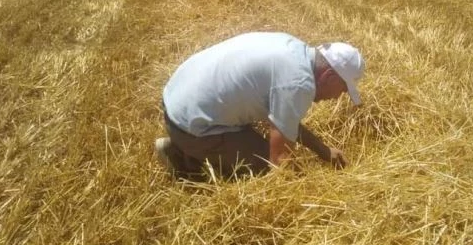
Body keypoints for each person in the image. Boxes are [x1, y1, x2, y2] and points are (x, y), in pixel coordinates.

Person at [156, 32, 364, 179]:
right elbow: (280, 165)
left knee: (258, 141)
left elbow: (285, 122)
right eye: (343, 89)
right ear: (328, 76)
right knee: (262, 166)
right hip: (191, 126)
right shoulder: (298, 83)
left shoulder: (292, 49)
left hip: (176, 103)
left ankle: (182, 146)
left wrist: (323, 150)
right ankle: (183, 159)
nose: (338, 97)